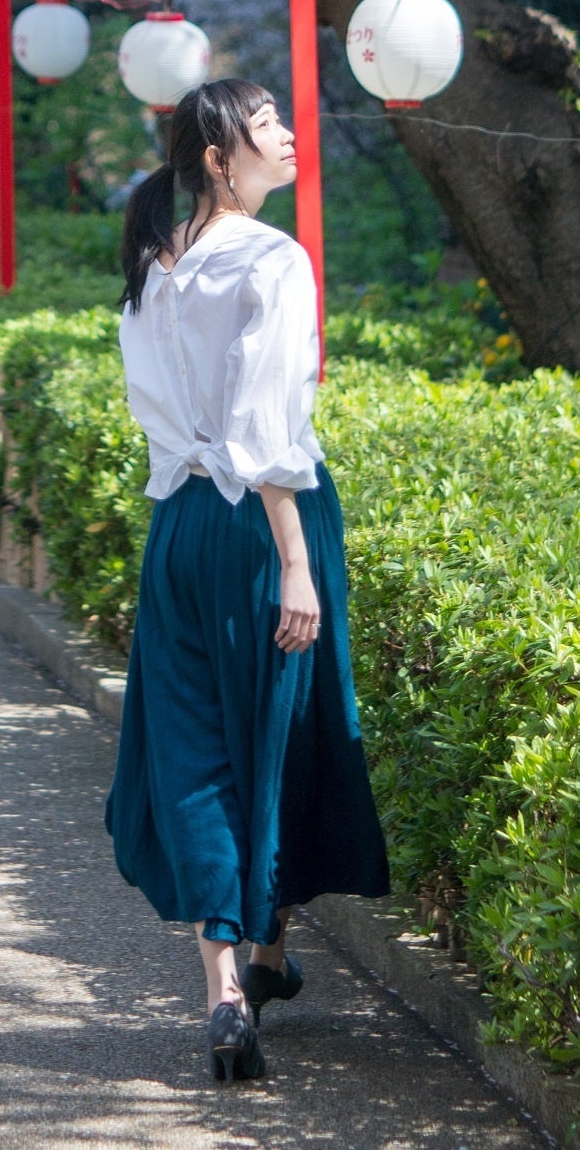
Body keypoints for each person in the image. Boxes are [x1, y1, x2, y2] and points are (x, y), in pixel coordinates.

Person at [104, 77, 393, 1084]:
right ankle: (257, 955)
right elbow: (269, 427)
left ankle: (234, 977)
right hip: (261, 522)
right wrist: (297, 562)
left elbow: (162, 410)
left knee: (193, 746)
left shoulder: (156, 256)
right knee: (269, 736)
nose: (289, 134)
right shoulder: (274, 258)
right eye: (269, 123)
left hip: (177, 523)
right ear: (222, 154)